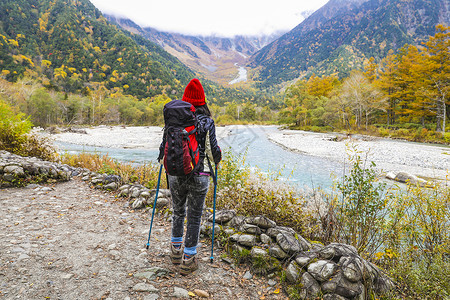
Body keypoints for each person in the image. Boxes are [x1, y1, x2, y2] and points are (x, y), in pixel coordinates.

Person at [158, 78, 221, 275]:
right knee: (194, 217)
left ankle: (175, 252)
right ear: (202, 101)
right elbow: (212, 153)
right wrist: (217, 160)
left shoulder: (174, 119)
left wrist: (165, 164)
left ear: (185, 99)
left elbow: (163, 151)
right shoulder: (207, 122)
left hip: (176, 173)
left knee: (178, 212)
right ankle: (189, 258)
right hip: (200, 175)